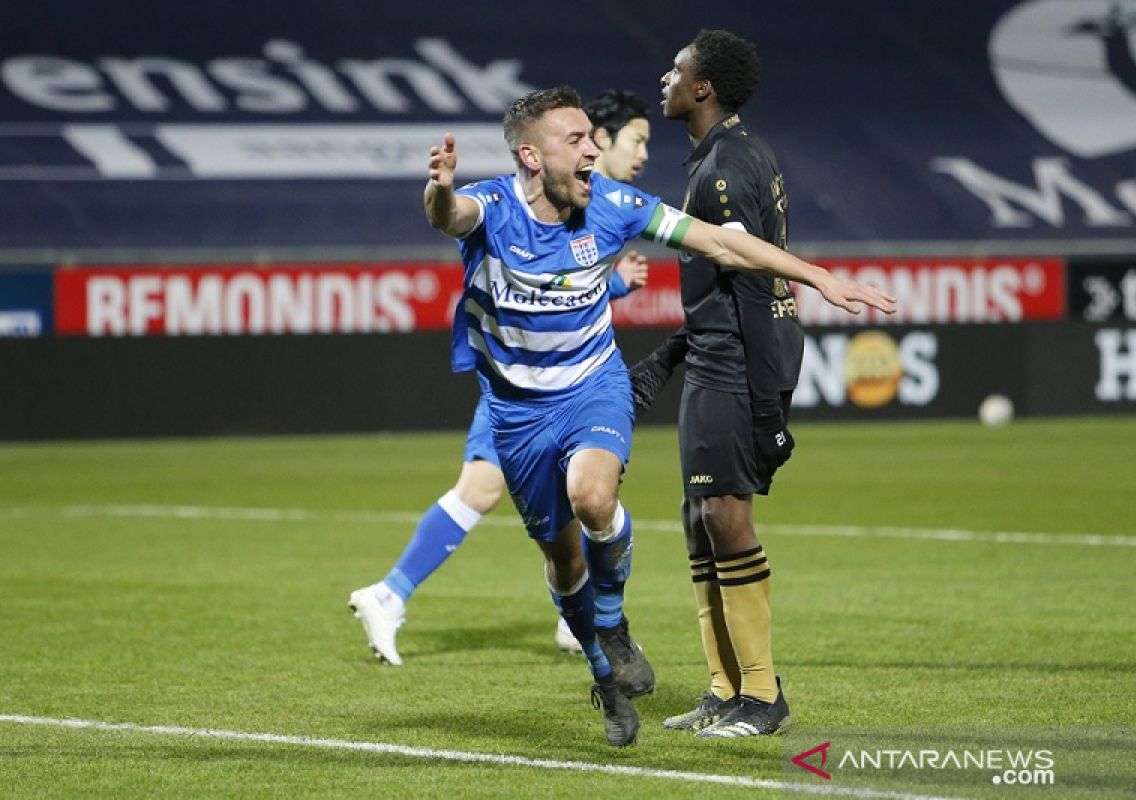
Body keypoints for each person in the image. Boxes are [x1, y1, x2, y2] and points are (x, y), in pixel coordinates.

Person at [421, 85, 893, 746]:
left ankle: (611, 619)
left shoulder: (613, 204)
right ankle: (601, 665)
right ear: (531, 155)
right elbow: (449, 214)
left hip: (592, 388)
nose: (593, 148)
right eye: (576, 140)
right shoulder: (495, 207)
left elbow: (720, 244)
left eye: (593, 137)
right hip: (517, 412)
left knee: (591, 497)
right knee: (561, 563)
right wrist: (439, 189)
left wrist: (817, 276)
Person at [347, 91, 656, 700]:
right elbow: (490, 242)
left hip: (561, 384)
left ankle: (398, 594)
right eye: (636, 140)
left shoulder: (600, 202)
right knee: (486, 489)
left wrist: (614, 285)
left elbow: (565, 286)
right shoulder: (555, 195)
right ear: (601, 137)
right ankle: (390, 592)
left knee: (520, 494)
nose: (642, 154)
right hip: (525, 392)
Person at [632, 29, 830, 739]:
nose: (667, 76)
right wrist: (669, 355)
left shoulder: (723, 169)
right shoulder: (728, 157)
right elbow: (723, 288)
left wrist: (769, 405)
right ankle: (724, 690)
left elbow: (754, 290)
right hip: (718, 357)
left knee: (726, 516)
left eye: (677, 68)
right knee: (700, 517)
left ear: (703, 87)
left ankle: (762, 696)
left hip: (738, 366)